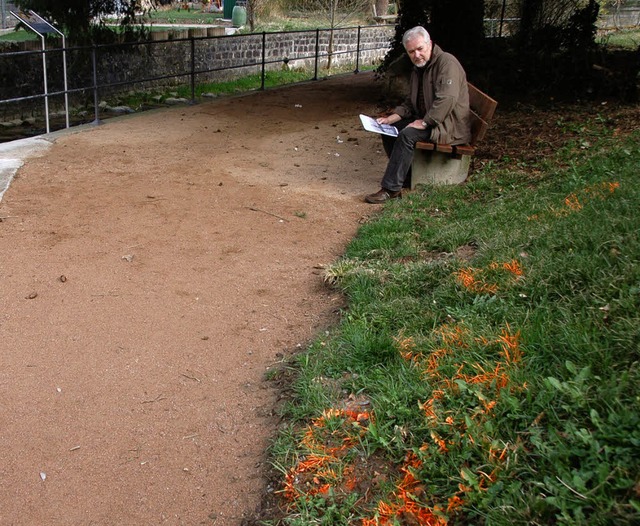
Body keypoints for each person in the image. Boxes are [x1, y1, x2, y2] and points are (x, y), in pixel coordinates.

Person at [365, 26, 471, 204]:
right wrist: (393, 117)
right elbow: (410, 101)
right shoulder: (419, 69)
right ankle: (404, 178)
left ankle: (391, 189)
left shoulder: (447, 63)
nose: (416, 55)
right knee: (388, 129)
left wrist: (424, 122)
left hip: (447, 126)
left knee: (407, 134)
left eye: (420, 49)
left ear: (429, 44)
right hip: (432, 121)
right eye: (411, 51)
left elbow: (447, 99)